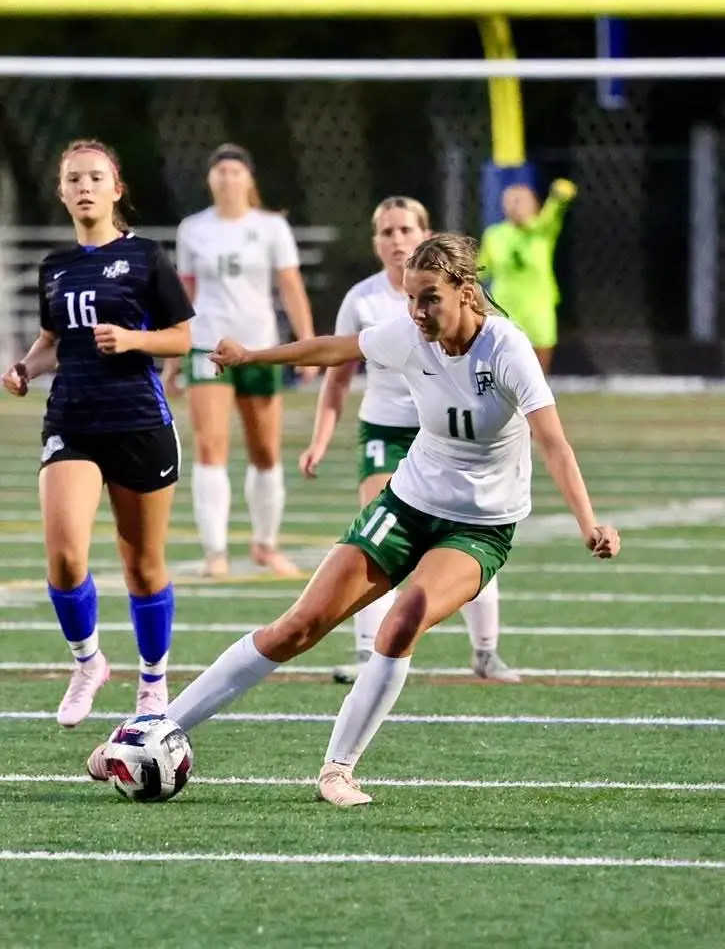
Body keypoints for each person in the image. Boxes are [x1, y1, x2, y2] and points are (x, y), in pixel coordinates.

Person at [87, 233, 620, 805]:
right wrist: (252, 357)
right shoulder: (410, 335)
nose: (417, 312)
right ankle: (151, 732)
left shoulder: (506, 348)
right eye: (411, 298)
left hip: (479, 528)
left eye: (430, 298)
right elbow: (333, 349)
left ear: (466, 293)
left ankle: (337, 770)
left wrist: (588, 522)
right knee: (297, 627)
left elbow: (553, 442)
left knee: (403, 620)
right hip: (407, 505)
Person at [1, 138, 194, 727]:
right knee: (64, 557)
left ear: (116, 189)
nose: (84, 187)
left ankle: (153, 681)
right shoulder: (55, 267)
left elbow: (182, 338)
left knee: (144, 567)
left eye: (95, 177)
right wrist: (25, 367)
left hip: (139, 422)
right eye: (73, 179)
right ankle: (88, 662)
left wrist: (134, 339)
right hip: (73, 422)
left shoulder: (146, 257)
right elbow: (53, 341)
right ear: (61, 193)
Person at [299, 196, 518, 685]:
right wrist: (320, 439)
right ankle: (366, 651)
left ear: (426, 235)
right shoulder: (362, 299)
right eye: (387, 232)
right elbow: (337, 376)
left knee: (467, 530)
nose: (397, 240)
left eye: (406, 230)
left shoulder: (454, 295)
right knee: (377, 531)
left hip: (447, 432)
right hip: (386, 430)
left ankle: (486, 651)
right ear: (375, 241)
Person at [162, 143, 317, 578]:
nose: (227, 177)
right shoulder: (193, 229)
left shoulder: (270, 227)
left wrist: (306, 343)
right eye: (220, 171)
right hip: (207, 345)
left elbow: (290, 286)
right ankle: (215, 551)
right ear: (210, 179)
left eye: (235, 170)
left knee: (265, 450)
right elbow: (186, 291)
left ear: (249, 179)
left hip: (259, 347)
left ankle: (266, 544)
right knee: (210, 444)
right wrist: (173, 355)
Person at [479, 179, 577, 374]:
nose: (515, 206)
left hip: (538, 303)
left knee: (540, 359)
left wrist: (559, 195)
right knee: (505, 359)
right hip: (506, 304)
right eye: (510, 201)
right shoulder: (494, 235)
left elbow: (556, 207)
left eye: (520, 201)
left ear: (534, 205)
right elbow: (482, 268)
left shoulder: (542, 230)